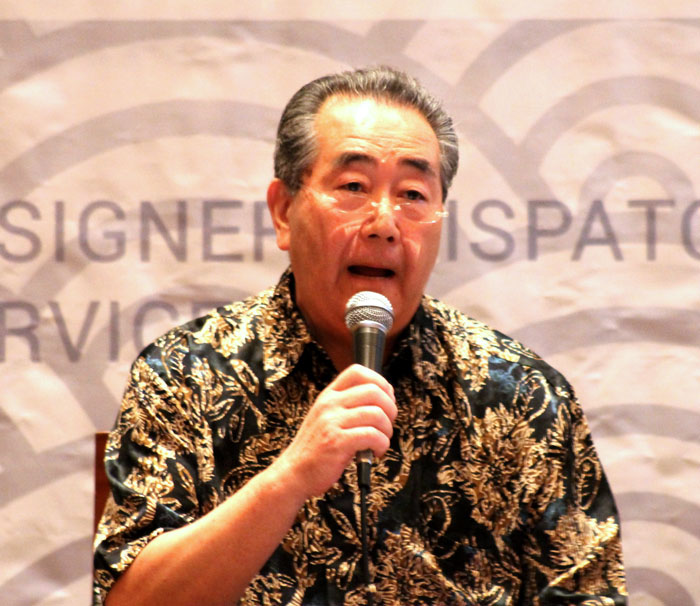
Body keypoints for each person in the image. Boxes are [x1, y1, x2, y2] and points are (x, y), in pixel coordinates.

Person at [93, 66, 627, 606]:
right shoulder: (185, 374)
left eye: (413, 194)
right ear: (284, 211)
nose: (384, 223)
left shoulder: (524, 395)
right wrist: (290, 478)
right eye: (353, 187)